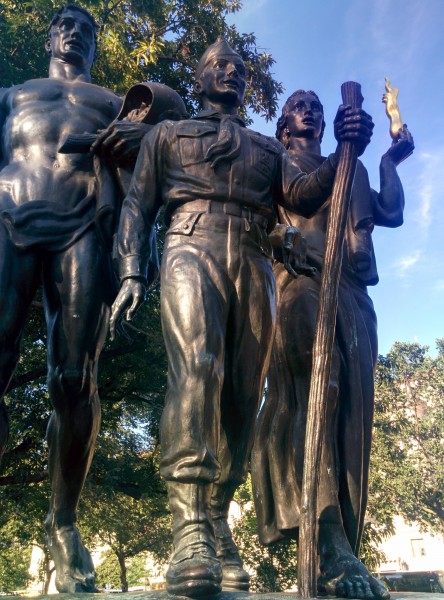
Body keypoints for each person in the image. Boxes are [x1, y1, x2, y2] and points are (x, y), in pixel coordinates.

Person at [110, 38, 373, 598]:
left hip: (254, 260)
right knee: (198, 367)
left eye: (239, 69)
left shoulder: (263, 147)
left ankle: (217, 520)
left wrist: (343, 150)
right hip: (190, 243)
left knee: (243, 397)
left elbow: (300, 196)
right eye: (218, 66)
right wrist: (132, 269)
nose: (230, 72)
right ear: (199, 78)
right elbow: (138, 205)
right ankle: (189, 528)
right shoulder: (168, 135)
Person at [251, 90, 414, 600]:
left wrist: (388, 159)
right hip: (299, 281)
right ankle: (327, 538)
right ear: (283, 124)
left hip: (352, 291)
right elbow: (264, 221)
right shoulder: (275, 161)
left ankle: (344, 538)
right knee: (319, 388)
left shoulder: (351, 166)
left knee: (353, 413)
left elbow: (390, 212)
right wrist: (281, 240)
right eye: (299, 105)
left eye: (316, 106)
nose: (310, 110)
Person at [0, 4, 125, 593]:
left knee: (75, 377)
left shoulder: (114, 102)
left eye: (86, 28)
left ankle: (63, 521)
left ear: (95, 45)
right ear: (50, 37)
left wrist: (135, 257)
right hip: (9, 211)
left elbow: (149, 165)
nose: (74, 32)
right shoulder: (14, 93)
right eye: (64, 25)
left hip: (83, 222)